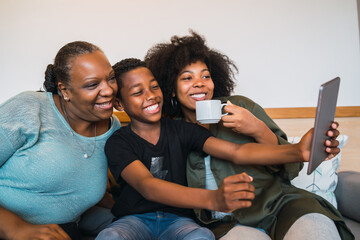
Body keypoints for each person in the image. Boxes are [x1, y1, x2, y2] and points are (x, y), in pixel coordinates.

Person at [144, 31, 354, 240]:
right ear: (172, 88)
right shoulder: (169, 131)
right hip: (225, 223)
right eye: (187, 78)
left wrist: (258, 129)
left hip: (282, 205)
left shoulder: (240, 106)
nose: (199, 82)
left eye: (205, 76)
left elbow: (291, 168)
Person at [96, 58, 332, 240]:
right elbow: (147, 186)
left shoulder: (185, 129)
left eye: (154, 87)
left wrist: (296, 151)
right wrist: (214, 199)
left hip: (185, 219)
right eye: (138, 93)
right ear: (119, 103)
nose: (150, 96)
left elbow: (237, 152)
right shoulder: (119, 141)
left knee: (202, 235)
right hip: (137, 219)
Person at [0, 41, 120, 240]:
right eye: (92, 84)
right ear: (64, 90)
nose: (108, 90)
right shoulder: (30, 109)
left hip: (63, 232)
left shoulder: (113, 129)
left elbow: (74, 187)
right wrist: (16, 229)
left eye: (111, 78)